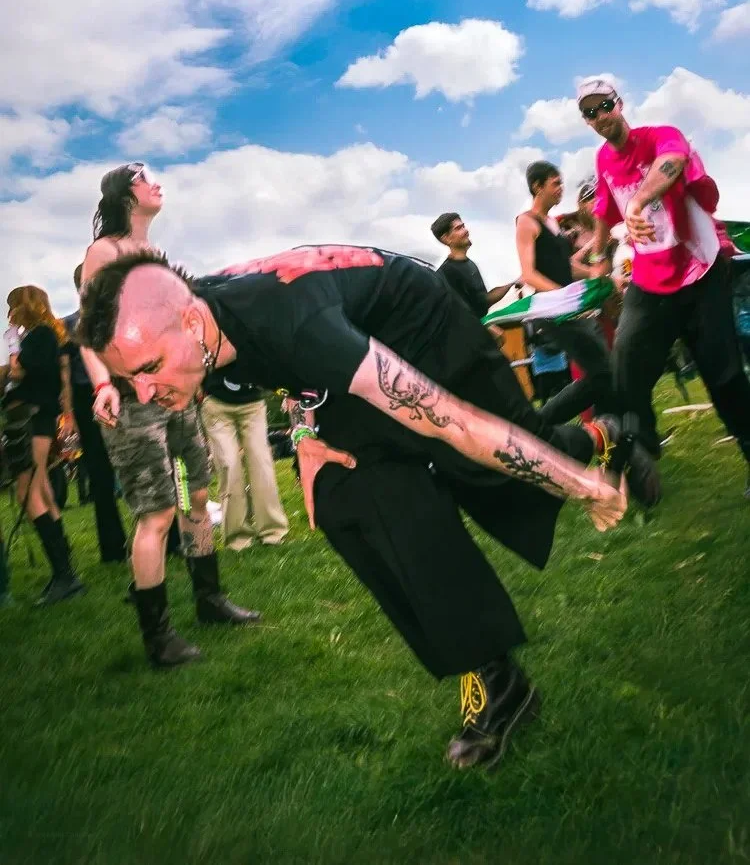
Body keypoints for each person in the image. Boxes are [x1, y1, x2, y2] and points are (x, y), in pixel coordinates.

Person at [77, 244, 657, 770]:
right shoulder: (206, 329)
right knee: (343, 495)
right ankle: (497, 678)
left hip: (423, 328)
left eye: (149, 368)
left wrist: (576, 484)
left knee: (502, 455)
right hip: (351, 347)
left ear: (189, 319)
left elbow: (452, 420)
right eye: (130, 379)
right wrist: (306, 438)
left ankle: (610, 436)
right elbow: (287, 376)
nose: (145, 394)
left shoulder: (292, 325)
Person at [80, 163, 259, 668]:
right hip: (132, 400)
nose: (156, 182)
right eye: (144, 177)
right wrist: (101, 386)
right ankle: (158, 638)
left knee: (194, 496)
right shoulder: (105, 253)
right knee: (157, 513)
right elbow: (91, 333)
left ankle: (209, 599)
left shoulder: (155, 256)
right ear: (125, 195)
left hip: (176, 400)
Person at [579, 76, 750, 494]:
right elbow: (603, 208)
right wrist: (599, 255)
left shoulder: (660, 136)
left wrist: (638, 200)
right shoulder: (603, 160)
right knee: (624, 368)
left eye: (605, 106)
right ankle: (638, 451)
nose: (601, 116)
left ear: (620, 103)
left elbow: (670, 164)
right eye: (590, 112)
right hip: (650, 283)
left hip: (699, 271)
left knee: (724, 375)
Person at [515, 162, 620, 426]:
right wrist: (568, 299)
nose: (561, 189)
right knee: (601, 373)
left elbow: (567, 267)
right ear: (538, 186)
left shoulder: (553, 223)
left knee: (604, 373)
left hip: (572, 310)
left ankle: (612, 438)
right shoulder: (526, 222)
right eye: (555, 183)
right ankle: (538, 426)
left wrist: (597, 276)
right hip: (553, 313)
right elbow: (528, 274)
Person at [3, 286, 84, 604]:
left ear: (25, 306)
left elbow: (19, 370)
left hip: (33, 418)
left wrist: (12, 350)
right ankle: (65, 571)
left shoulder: (38, 336)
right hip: (37, 417)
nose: (9, 313)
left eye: (12, 306)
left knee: (29, 491)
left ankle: (65, 576)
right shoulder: (48, 336)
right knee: (44, 492)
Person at [62, 264, 128, 563]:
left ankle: (115, 549)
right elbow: (64, 374)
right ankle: (115, 548)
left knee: (105, 475)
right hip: (91, 397)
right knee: (105, 475)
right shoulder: (70, 325)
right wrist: (69, 415)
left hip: (106, 394)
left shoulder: (108, 319)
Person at [201, 370, 288, 550]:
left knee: (262, 467)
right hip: (216, 404)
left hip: (253, 404)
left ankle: (273, 533)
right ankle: (237, 539)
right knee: (230, 468)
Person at [431, 213, 519, 318]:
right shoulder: (447, 273)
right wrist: (488, 327)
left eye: (463, 226)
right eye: (458, 228)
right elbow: (460, 313)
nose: (466, 231)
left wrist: (515, 282)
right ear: (446, 238)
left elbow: (484, 301)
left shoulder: (470, 264)